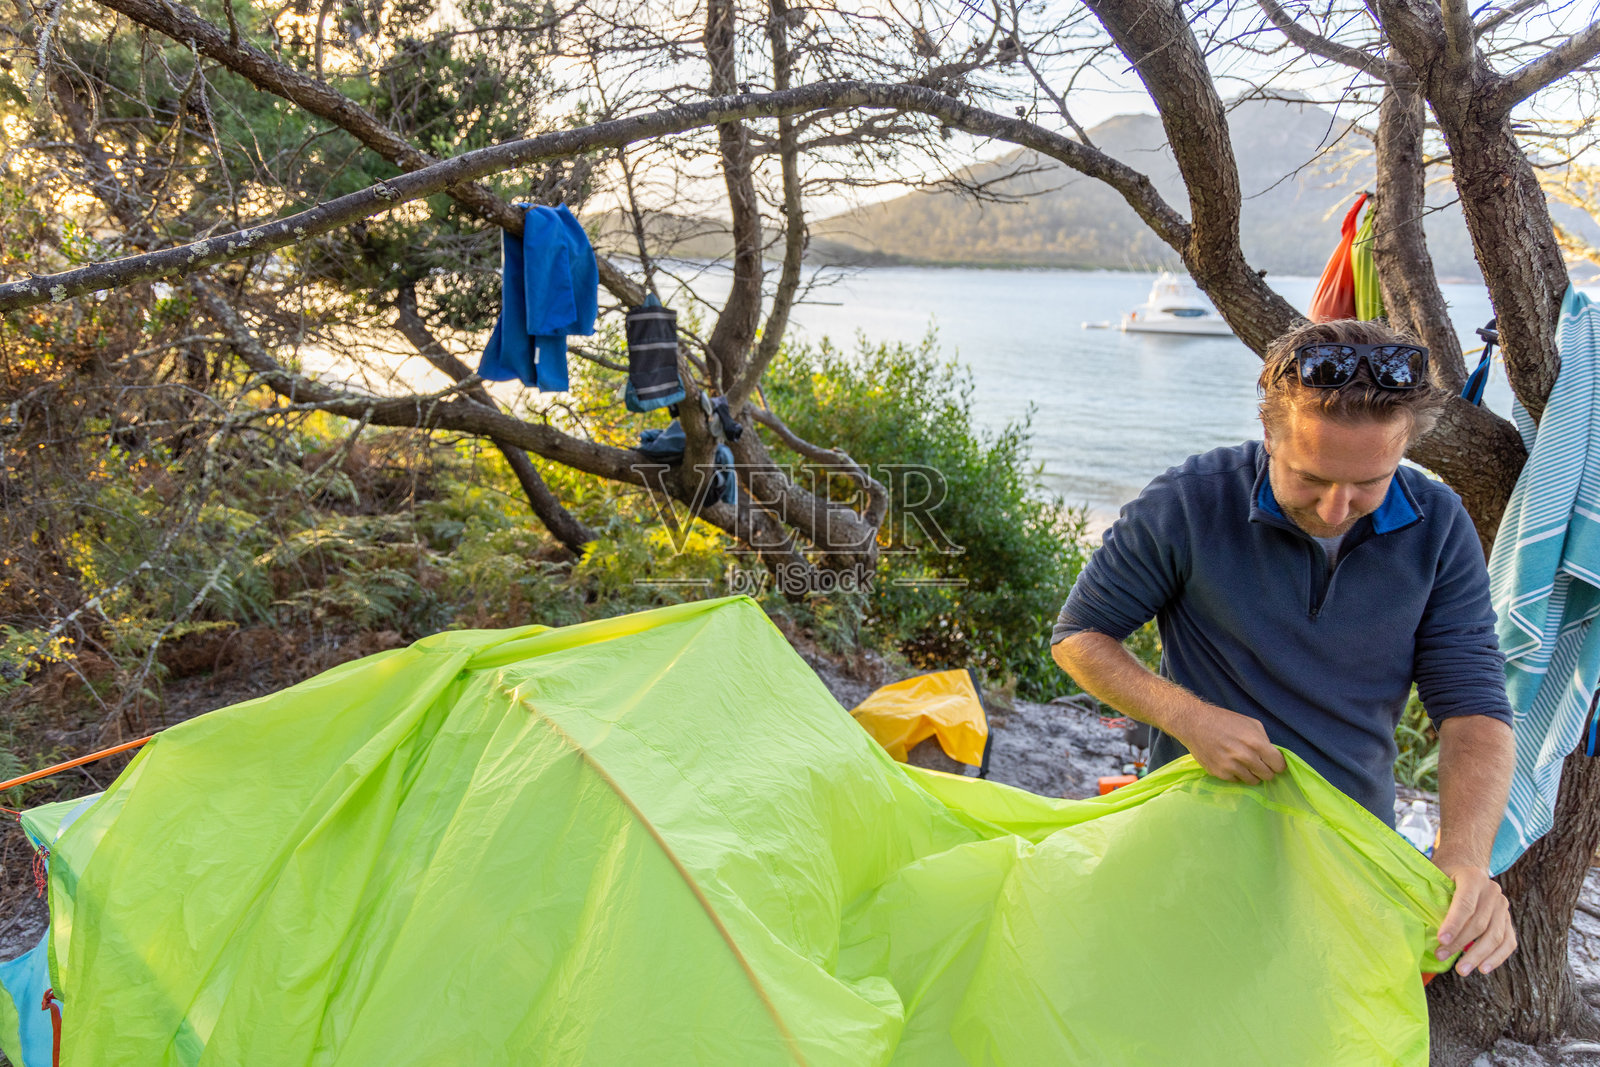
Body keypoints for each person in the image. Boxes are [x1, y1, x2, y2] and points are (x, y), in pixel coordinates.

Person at [1050, 319, 1517, 978]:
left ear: (1403, 445)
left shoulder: (1440, 526)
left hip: (1346, 863)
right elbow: (1078, 637)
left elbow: (1473, 709)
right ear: (1268, 431)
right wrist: (1190, 717)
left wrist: (1464, 853)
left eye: (1368, 483)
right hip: (1189, 845)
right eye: (1311, 477)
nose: (1335, 508)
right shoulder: (1190, 501)